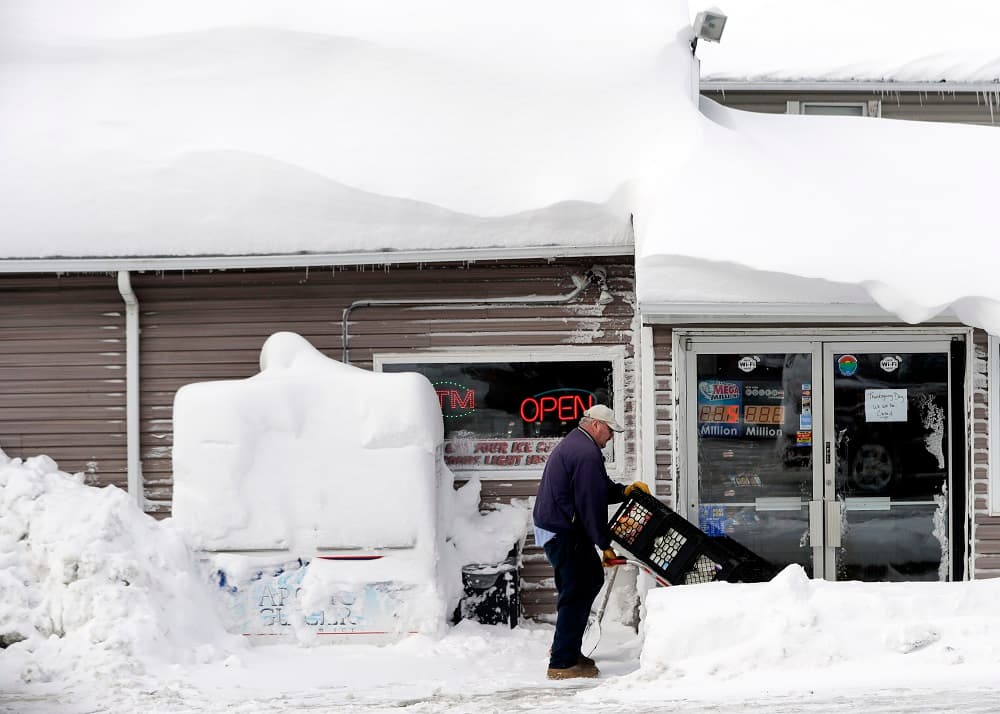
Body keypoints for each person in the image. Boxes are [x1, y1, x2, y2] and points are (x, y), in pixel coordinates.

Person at [532, 404, 649, 680]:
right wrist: (604, 544)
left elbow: (596, 487)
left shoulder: (578, 445)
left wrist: (624, 491)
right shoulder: (585, 453)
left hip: (558, 527)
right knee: (578, 588)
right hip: (564, 530)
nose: (611, 437)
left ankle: (567, 648)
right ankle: (562, 663)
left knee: (585, 582)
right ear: (596, 425)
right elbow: (590, 503)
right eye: (610, 430)